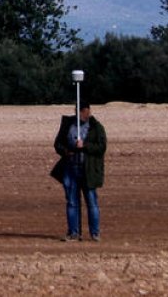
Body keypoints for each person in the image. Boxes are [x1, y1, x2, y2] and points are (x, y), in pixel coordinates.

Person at [50, 101, 106, 242]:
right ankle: (74, 232)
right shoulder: (68, 125)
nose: (84, 113)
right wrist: (67, 151)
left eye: (85, 111)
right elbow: (58, 144)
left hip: (88, 170)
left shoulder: (96, 127)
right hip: (71, 169)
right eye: (81, 111)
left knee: (92, 202)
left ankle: (95, 233)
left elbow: (101, 147)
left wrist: (85, 145)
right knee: (72, 202)